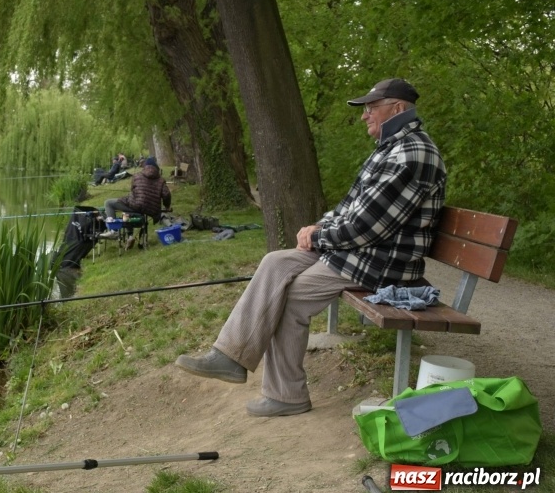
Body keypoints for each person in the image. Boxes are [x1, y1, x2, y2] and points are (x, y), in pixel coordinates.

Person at [175, 78, 447, 417]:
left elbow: (368, 227)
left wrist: (319, 238)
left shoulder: (411, 154)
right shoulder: (391, 149)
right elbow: (351, 207)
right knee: (275, 262)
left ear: (397, 109)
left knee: (288, 298)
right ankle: (229, 356)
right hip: (360, 252)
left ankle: (286, 396)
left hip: (381, 263)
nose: (364, 116)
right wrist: (319, 227)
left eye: (371, 108)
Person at [101, 157, 172, 243]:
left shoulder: (137, 176)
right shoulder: (161, 180)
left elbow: (132, 190)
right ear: (156, 168)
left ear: (145, 167)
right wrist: (167, 206)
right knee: (126, 214)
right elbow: (166, 194)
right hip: (151, 210)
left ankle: (114, 230)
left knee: (108, 203)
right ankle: (130, 236)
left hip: (136, 205)